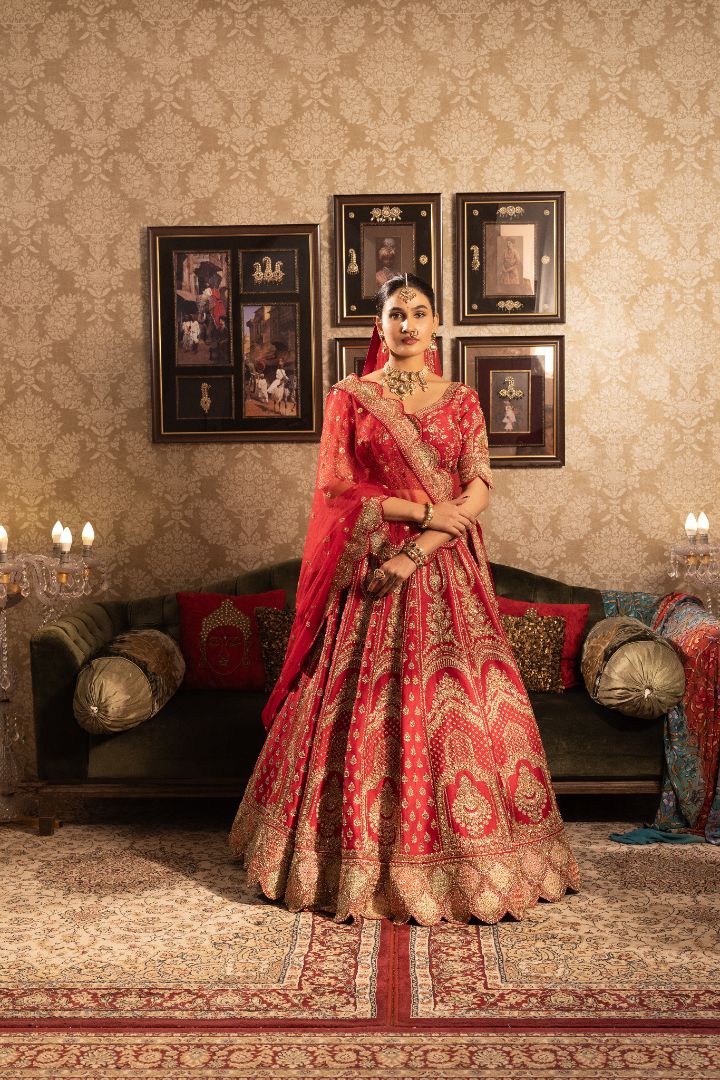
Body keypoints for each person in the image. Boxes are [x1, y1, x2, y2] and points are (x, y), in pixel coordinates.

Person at [230, 273, 580, 925]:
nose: (409, 324)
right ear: (380, 327)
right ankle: (341, 861)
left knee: (462, 713)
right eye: (397, 314)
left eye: (420, 313)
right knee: (358, 711)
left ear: (436, 325)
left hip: (445, 575)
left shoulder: (464, 399)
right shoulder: (350, 397)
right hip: (367, 577)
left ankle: (482, 863)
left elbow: (479, 483)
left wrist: (417, 548)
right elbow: (336, 485)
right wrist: (421, 511)